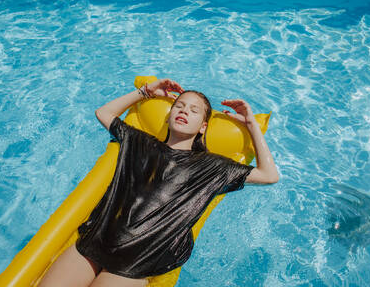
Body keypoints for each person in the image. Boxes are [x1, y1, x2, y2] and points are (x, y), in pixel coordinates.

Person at [39, 78, 279, 287]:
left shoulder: (213, 167)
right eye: (179, 106)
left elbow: (269, 175)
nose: (184, 111)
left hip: (138, 261)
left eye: (194, 111)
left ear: (203, 127)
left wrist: (251, 125)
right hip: (97, 239)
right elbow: (103, 113)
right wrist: (145, 92)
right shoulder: (139, 141)